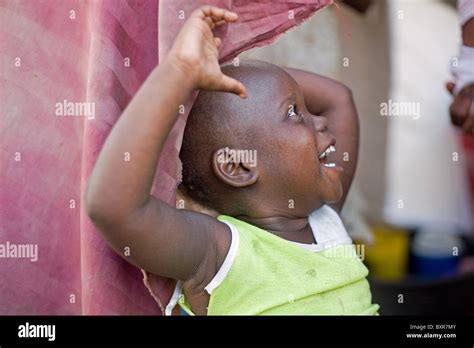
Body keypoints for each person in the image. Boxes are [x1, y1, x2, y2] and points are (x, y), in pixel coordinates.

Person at [86, 6, 378, 315]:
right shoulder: (219, 252)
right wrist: (181, 72)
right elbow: (113, 208)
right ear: (238, 165)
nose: (320, 122)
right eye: (294, 112)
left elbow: (338, 99)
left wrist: (224, 63)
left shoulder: (326, 221)